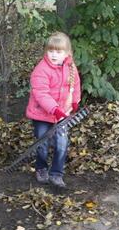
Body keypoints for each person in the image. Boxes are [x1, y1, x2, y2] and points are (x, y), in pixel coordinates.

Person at [25, 32, 82, 191]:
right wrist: (54, 110)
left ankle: (56, 173)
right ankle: (41, 168)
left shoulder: (70, 67)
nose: (54, 55)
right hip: (42, 114)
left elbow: (75, 86)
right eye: (51, 51)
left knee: (61, 143)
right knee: (42, 143)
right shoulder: (41, 70)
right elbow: (41, 93)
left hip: (62, 113)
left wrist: (75, 102)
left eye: (58, 52)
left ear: (67, 53)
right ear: (46, 51)